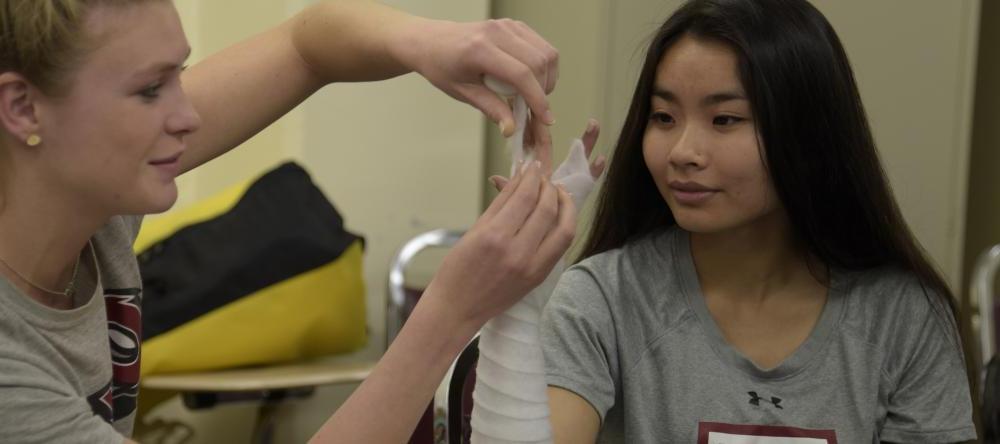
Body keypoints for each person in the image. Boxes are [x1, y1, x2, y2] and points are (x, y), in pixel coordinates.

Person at [0, 0, 587, 442]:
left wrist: (430, 40)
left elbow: (305, 48)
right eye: (151, 89)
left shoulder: (87, 200)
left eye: (180, 73)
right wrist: (452, 311)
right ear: (24, 108)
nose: (188, 114)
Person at [539, 0, 978, 442]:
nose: (681, 152)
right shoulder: (602, 300)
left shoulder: (902, 317)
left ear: (808, 133)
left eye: (724, 119)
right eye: (664, 117)